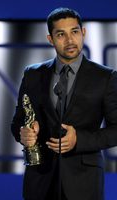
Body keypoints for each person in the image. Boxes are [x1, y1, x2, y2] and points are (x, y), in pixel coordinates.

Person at [11, 7, 117, 200]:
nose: (70, 40)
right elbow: (18, 120)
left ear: (83, 33)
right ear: (50, 39)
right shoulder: (33, 74)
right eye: (61, 34)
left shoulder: (105, 77)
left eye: (74, 32)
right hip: (40, 179)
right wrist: (24, 133)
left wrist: (79, 140)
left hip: (84, 182)